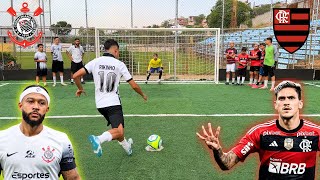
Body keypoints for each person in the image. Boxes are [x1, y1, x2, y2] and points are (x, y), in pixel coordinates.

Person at [197, 80, 320, 179]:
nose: (286, 103)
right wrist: (218, 150)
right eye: (282, 99)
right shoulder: (260, 132)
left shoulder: (316, 133)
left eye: (291, 98)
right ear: (275, 104)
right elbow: (227, 163)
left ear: (300, 103)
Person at [73, 39, 148, 157]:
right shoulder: (119, 64)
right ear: (115, 50)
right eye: (118, 52)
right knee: (118, 131)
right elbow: (133, 85)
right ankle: (99, 139)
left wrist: (80, 88)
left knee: (118, 131)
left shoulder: (96, 61)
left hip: (100, 105)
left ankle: (127, 147)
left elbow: (75, 75)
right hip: (113, 103)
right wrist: (143, 94)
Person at [0, 85, 81, 179]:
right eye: (30, 101)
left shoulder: (61, 140)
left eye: (42, 103)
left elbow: (73, 178)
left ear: (47, 109)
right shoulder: (2, 138)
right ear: (20, 105)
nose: (36, 107)